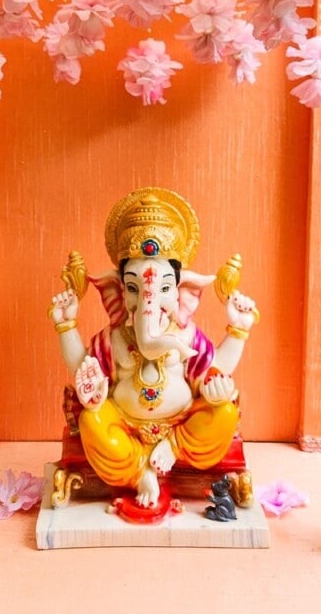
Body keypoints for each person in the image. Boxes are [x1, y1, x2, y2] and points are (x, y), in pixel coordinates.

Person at [49, 187, 257, 510]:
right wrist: (67, 326)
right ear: (116, 293)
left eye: (163, 288)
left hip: (180, 426)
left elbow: (214, 368)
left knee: (224, 413)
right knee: (92, 420)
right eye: (134, 288)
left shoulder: (187, 336)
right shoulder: (114, 338)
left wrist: (238, 331)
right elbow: (84, 371)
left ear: (183, 293)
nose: (149, 301)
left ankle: (173, 448)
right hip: (125, 425)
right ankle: (138, 471)